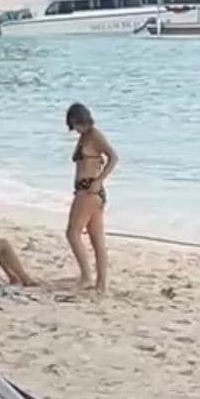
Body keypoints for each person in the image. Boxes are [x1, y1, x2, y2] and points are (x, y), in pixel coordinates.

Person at [66, 101, 117, 292]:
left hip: (89, 190)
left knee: (72, 233)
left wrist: (99, 180)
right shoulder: (85, 137)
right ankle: (101, 284)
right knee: (96, 239)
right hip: (90, 191)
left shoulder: (95, 135)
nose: (76, 129)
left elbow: (113, 157)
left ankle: (87, 277)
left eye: (76, 124)